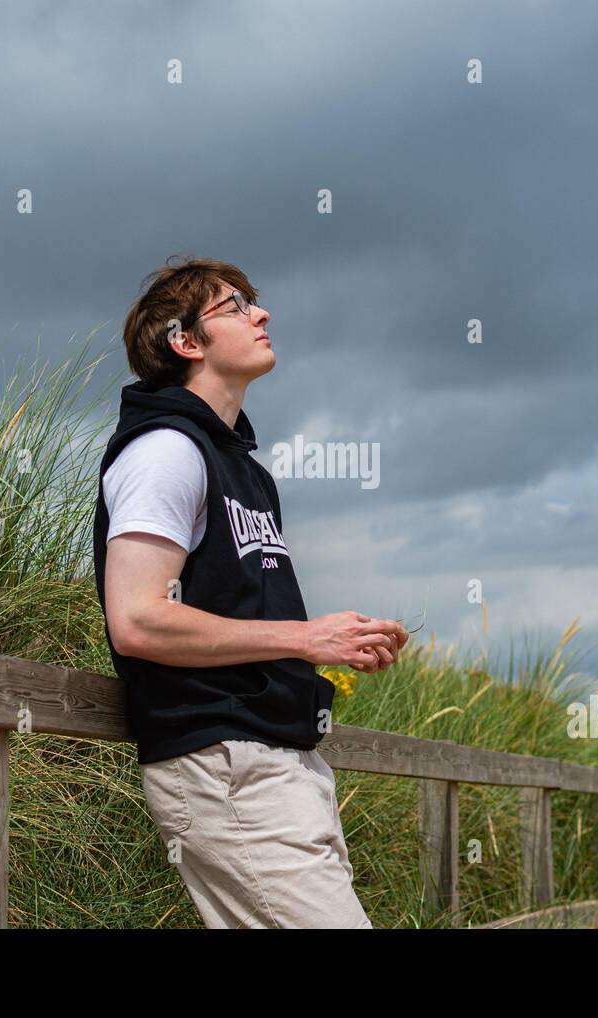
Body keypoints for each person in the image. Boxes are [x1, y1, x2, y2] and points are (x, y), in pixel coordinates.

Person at [92, 255, 408, 928]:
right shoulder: (164, 452)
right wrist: (305, 637)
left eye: (254, 302)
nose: (261, 313)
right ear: (185, 340)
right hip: (222, 762)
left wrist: (334, 642)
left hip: (280, 762)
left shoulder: (245, 470)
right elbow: (138, 620)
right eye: (235, 306)